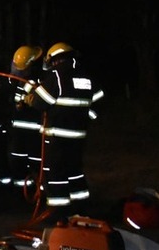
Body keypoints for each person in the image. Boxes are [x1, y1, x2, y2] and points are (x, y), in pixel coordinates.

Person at [26, 42, 104, 212]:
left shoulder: (56, 75)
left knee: (55, 174)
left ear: (54, 60)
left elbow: (41, 103)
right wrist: (83, 118)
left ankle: (58, 211)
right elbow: (98, 103)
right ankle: (81, 206)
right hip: (78, 136)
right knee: (75, 171)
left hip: (57, 135)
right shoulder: (85, 77)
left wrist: (30, 99)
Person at [7, 45, 44, 189]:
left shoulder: (30, 83)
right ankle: (29, 191)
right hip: (27, 130)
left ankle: (32, 191)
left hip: (26, 130)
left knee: (26, 161)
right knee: (25, 161)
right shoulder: (27, 82)